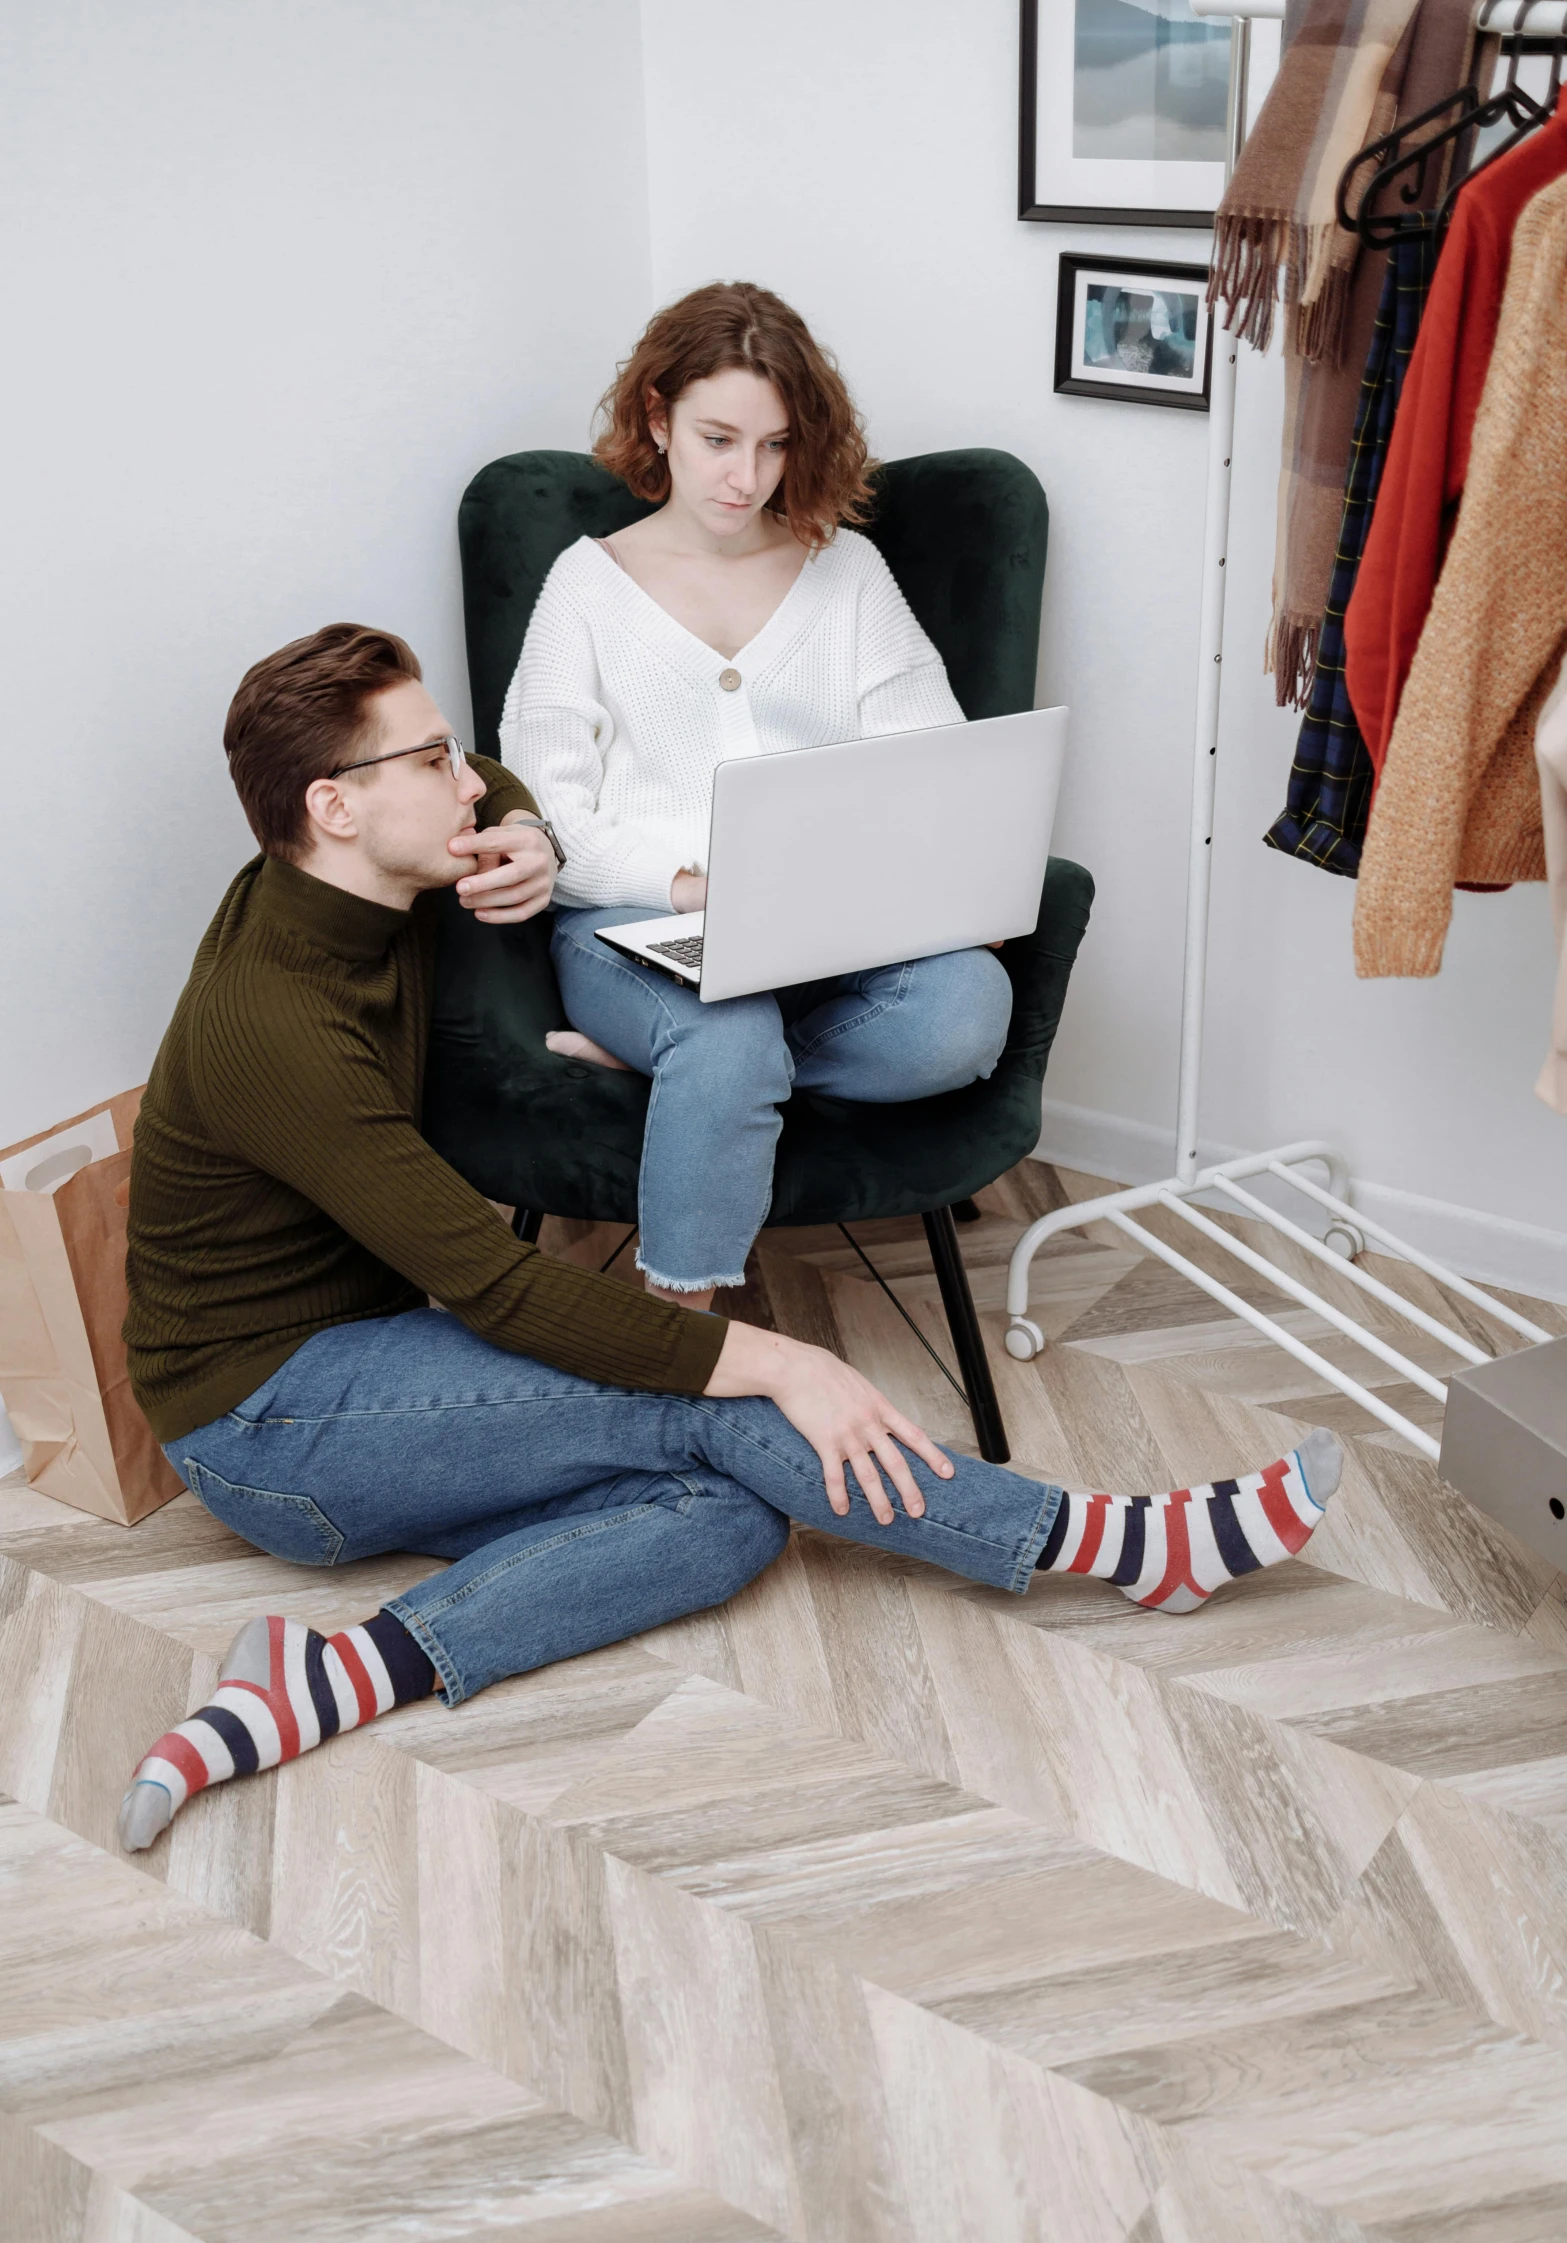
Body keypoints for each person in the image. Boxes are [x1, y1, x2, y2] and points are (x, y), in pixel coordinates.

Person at [116, 625, 1343, 1855]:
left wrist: (533, 840)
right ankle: (1115, 1543)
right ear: (334, 804)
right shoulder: (276, 1026)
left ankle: (333, 1673)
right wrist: (781, 1361)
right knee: (720, 1409)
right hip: (269, 1417)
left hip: (375, 1344)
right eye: (435, 758)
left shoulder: (345, 876)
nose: (471, 778)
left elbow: (513, 784)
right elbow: (493, 1284)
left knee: (735, 1515)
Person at [501, 281, 1014, 1313]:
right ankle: (676, 1332)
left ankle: (687, 1079)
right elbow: (555, 822)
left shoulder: (848, 572)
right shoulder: (584, 588)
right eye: (718, 438)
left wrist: (937, 888)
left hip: (827, 927)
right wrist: (693, 888)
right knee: (722, 1026)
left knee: (961, 1014)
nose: (746, 477)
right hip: (633, 925)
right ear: (657, 416)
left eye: (774, 445)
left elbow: (935, 762)